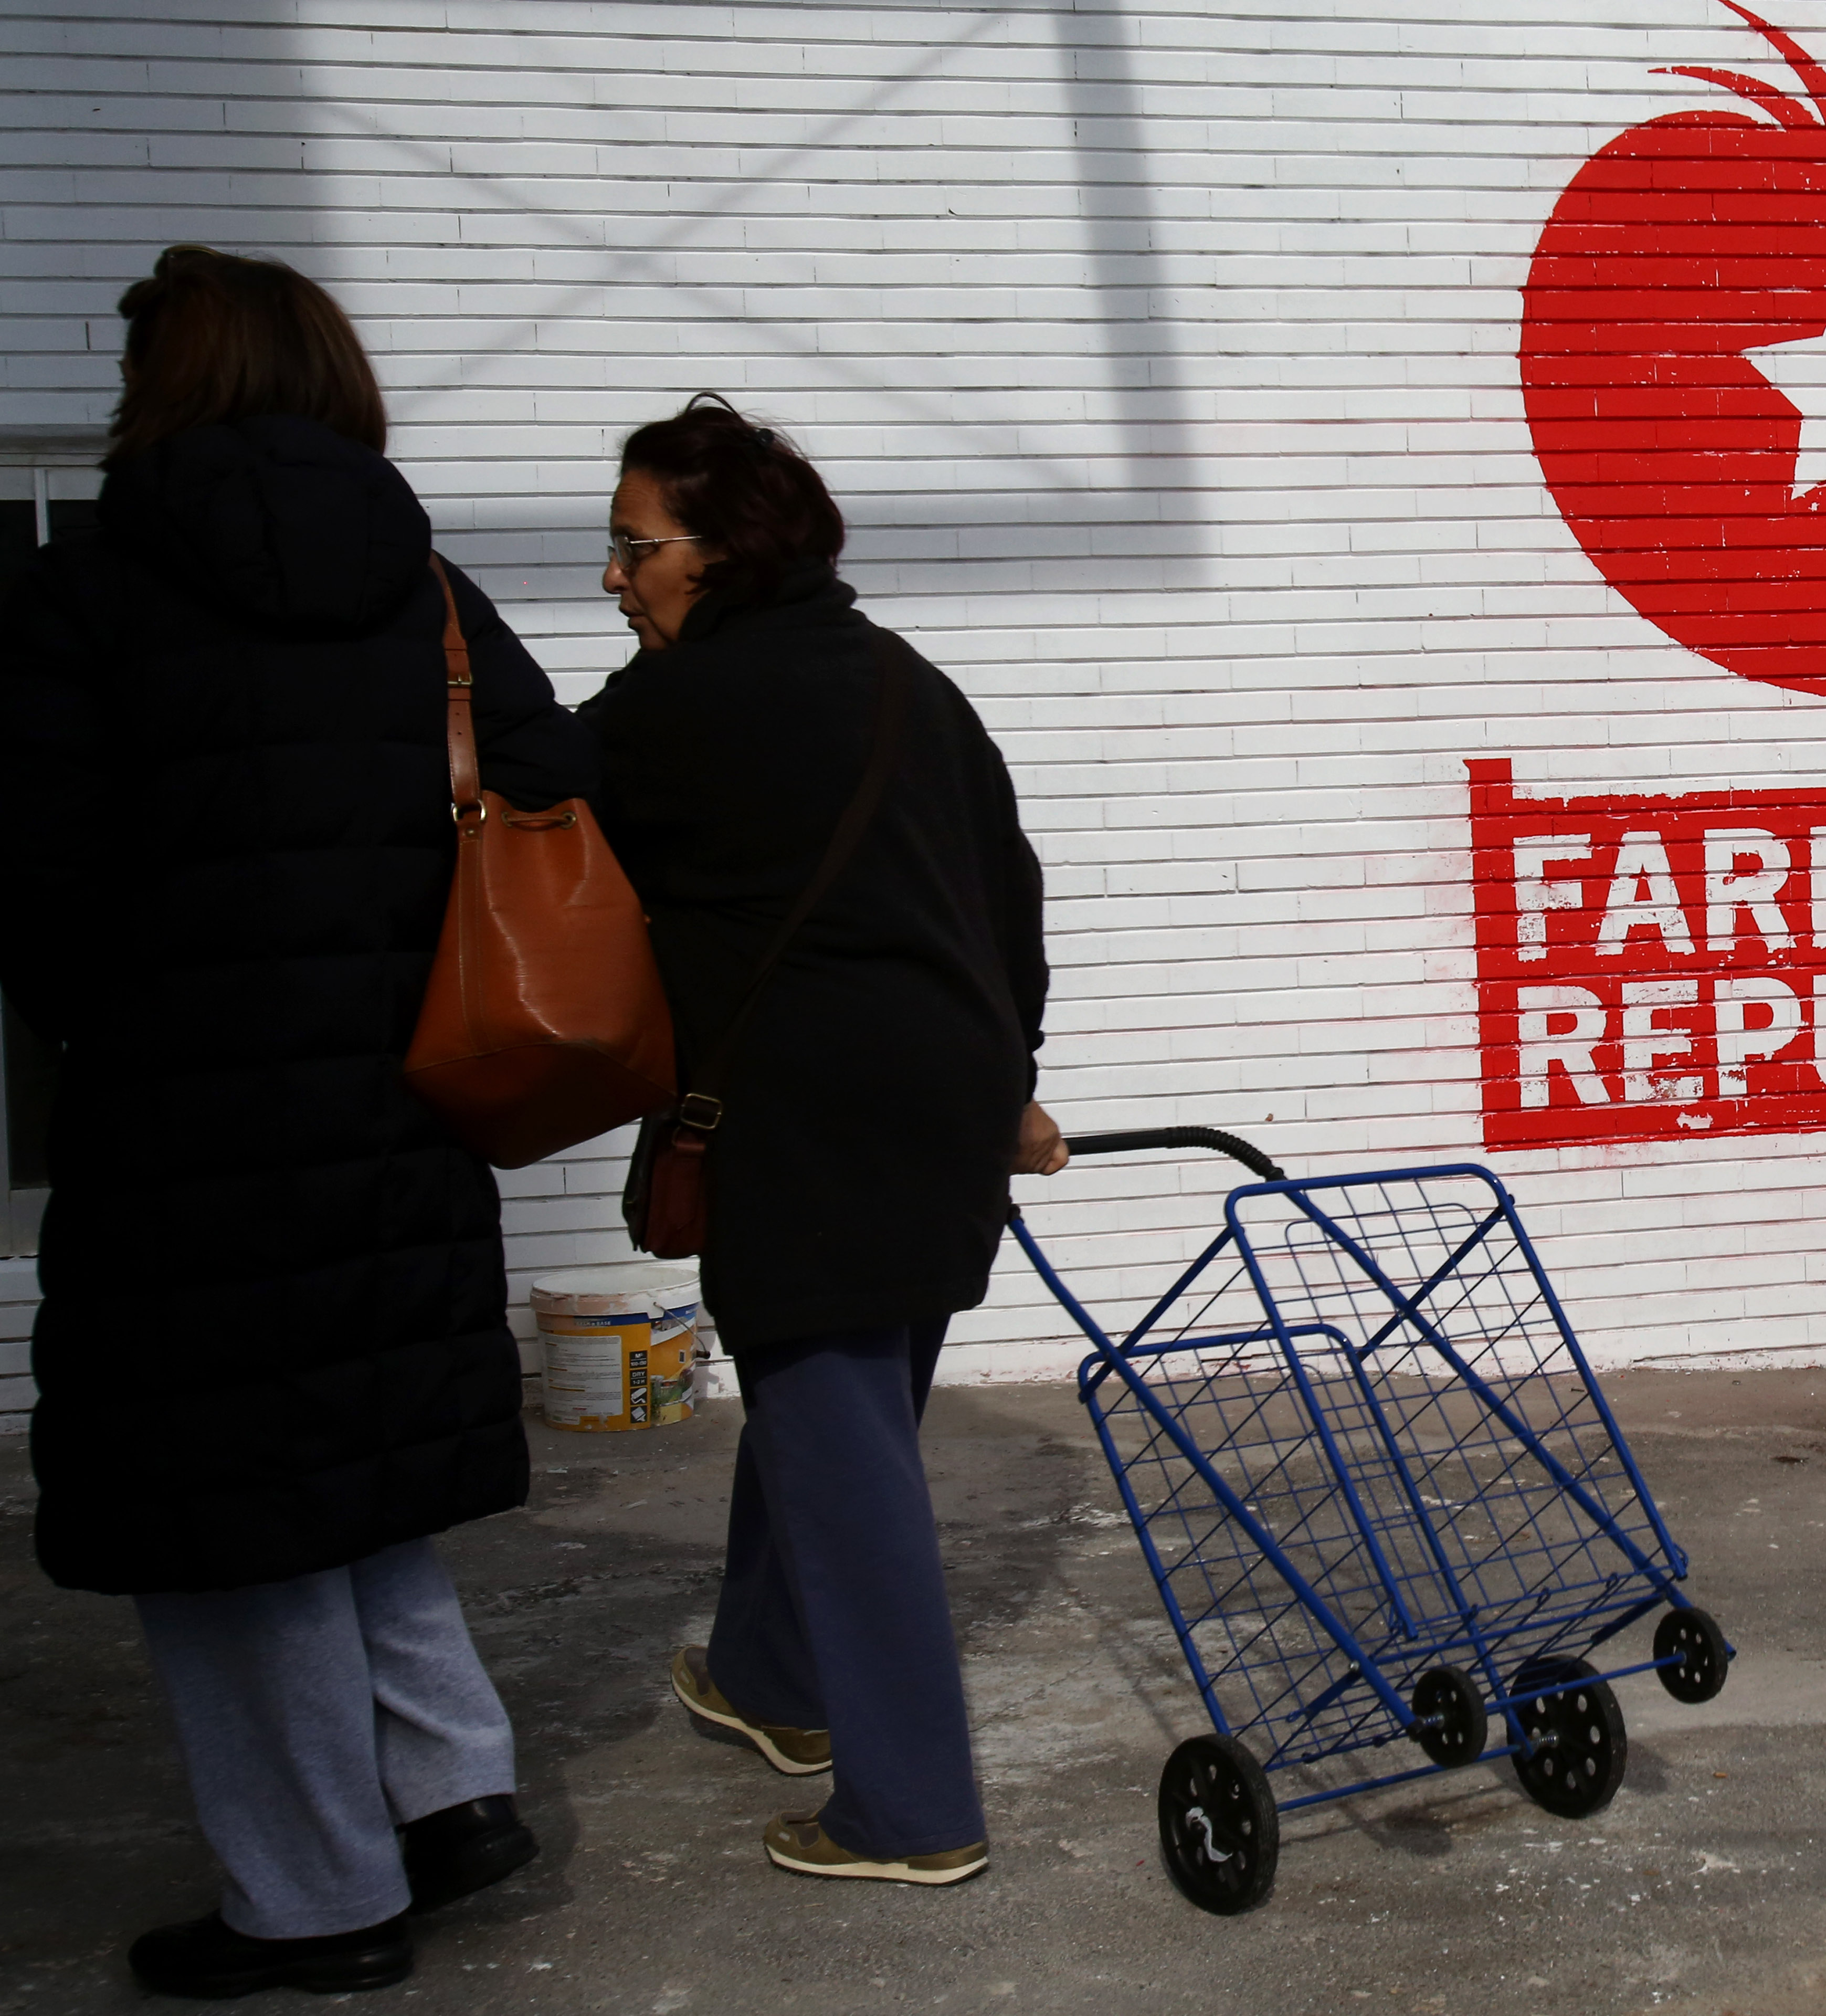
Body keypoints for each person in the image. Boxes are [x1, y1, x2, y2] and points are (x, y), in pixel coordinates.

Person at [0, 247, 592, 1995]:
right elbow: (559, 792)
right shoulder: (427, 593)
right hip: (402, 1112)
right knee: (341, 1470)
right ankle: (451, 1788)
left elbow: (31, 884)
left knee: (226, 1519)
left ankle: (319, 1900)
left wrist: (142, 1028)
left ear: (162, 381)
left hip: (186, 1137)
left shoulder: (83, 593)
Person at [582, 394, 1061, 1886]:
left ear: (718, 554)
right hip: (943, 1110)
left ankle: (913, 1809)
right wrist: (1010, 1081)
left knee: (842, 1445)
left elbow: (545, 839)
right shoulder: (911, 685)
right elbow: (1011, 894)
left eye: (633, 546)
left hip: (807, 1125)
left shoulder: (670, 714)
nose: (616, 576)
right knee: (838, 1401)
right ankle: (771, 1678)